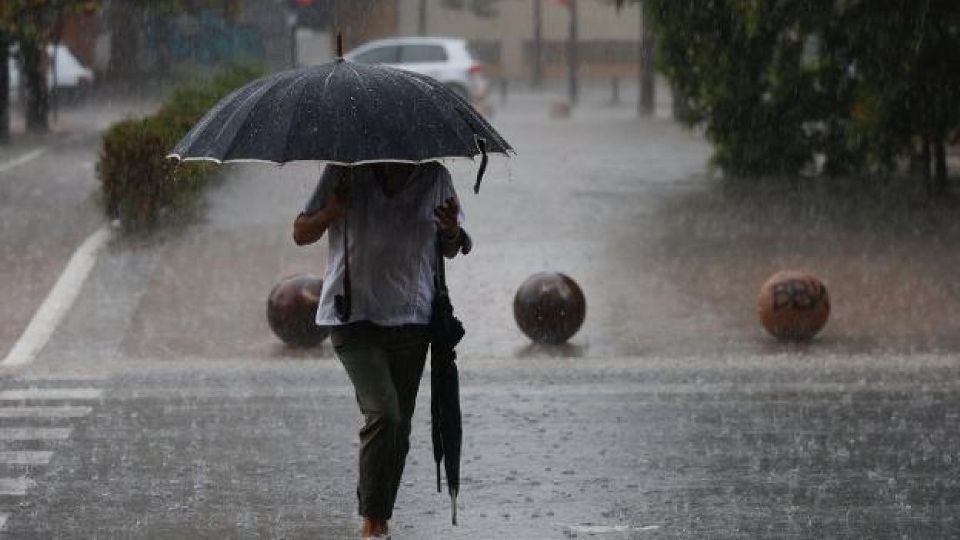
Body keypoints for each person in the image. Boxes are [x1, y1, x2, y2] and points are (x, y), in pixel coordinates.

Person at [293, 161, 464, 539]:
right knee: (384, 413)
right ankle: (371, 521)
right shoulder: (343, 171)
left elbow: (452, 247)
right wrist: (331, 212)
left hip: (412, 317)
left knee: (399, 426)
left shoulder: (435, 176)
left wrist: (451, 231)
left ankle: (380, 518)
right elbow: (301, 232)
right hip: (352, 317)